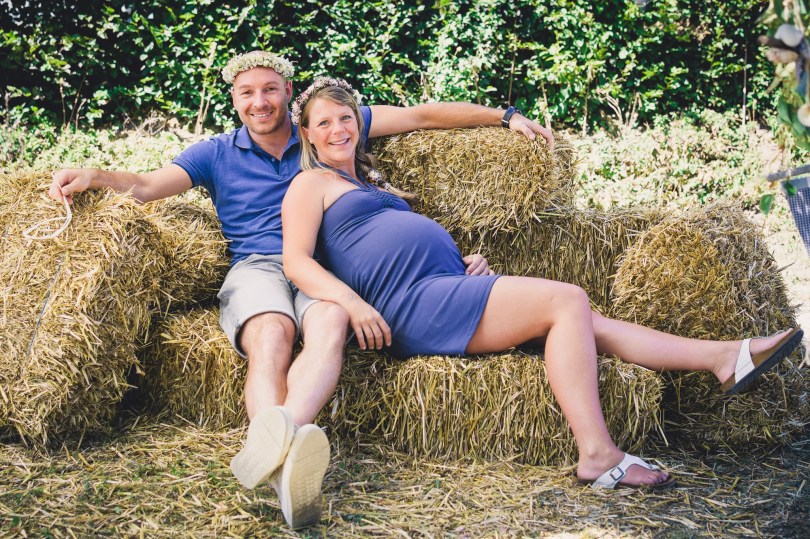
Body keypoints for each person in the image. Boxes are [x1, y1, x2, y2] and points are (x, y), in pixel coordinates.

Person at [47, 51, 554, 530]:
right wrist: (94, 175)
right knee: (272, 333)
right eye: (247, 92)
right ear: (234, 100)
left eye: (270, 89)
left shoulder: (323, 128)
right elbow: (147, 186)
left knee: (331, 321)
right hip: (259, 267)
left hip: (324, 268)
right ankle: (284, 466)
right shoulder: (215, 153)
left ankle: (275, 451)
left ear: (288, 93)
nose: (260, 101)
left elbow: (421, 116)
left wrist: (504, 116)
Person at [281, 78, 805, 493]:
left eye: (345, 118)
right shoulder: (310, 184)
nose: (338, 129)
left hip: (442, 285)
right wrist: (353, 305)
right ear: (307, 134)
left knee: (587, 323)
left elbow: (394, 219)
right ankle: (597, 454)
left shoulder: (367, 181)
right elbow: (297, 262)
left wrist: (458, 259)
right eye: (324, 123)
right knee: (566, 300)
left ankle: (724, 357)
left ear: (359, 122)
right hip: (412, 306)